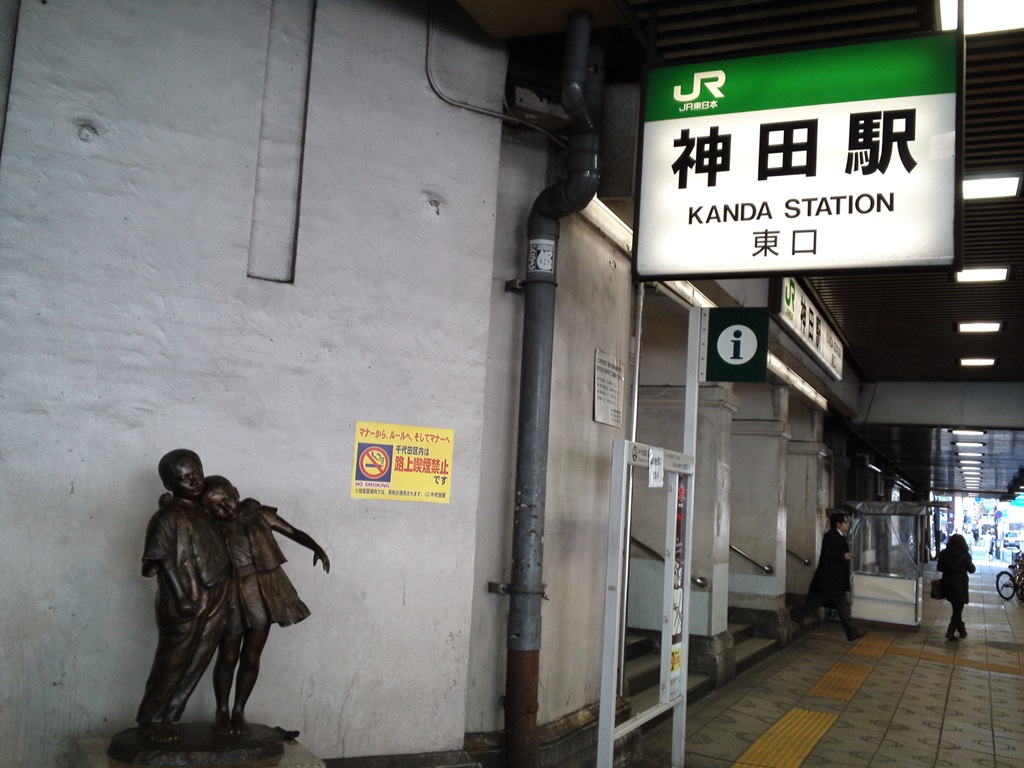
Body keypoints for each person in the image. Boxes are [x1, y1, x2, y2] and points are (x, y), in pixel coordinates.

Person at [201, 475, 330, 735]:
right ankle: (222, 711)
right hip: (230, 596)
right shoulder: (208, 527)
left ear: (235, 492)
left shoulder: (258, 514)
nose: (225, 508)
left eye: (226, 500)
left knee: (251, 656)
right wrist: (170, 504)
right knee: (227, 656)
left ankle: (239, 710)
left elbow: (292, 531)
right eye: (216, 507)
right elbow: (181, 524)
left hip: (262, 592)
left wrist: (316, 547)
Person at [135, 450, 234, 742]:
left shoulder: (204, 508)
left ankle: (168, 716)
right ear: (169, 484)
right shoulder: (167, 516)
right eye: (184, 478)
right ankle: (151, 718)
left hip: (214, 594)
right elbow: (161, 560)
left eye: (197, 474)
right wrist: (181, 597)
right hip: (185, 601)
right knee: (174, 659)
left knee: (198, 658)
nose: (194, 482)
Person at [790, 511, 867, 642]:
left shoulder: (840, 536)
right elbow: (827, 553)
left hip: (833, 580)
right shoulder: (831, 536)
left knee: (819, 600)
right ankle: (852, 633)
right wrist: (842, 556)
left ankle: (797, 614)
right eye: (846, 522)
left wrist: (844, 556)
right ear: (838, 524)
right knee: (843, 607)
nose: (848, 525)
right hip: (832, 578)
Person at [937, 532, 975, 641]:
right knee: (958, 610)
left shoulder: (944, 553)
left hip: (947, 584)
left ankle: (962, 630)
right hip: (960, 585)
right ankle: (950, 632)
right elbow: (972, 570)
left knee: (956, 608)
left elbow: (939, 568)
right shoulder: (964, 554)